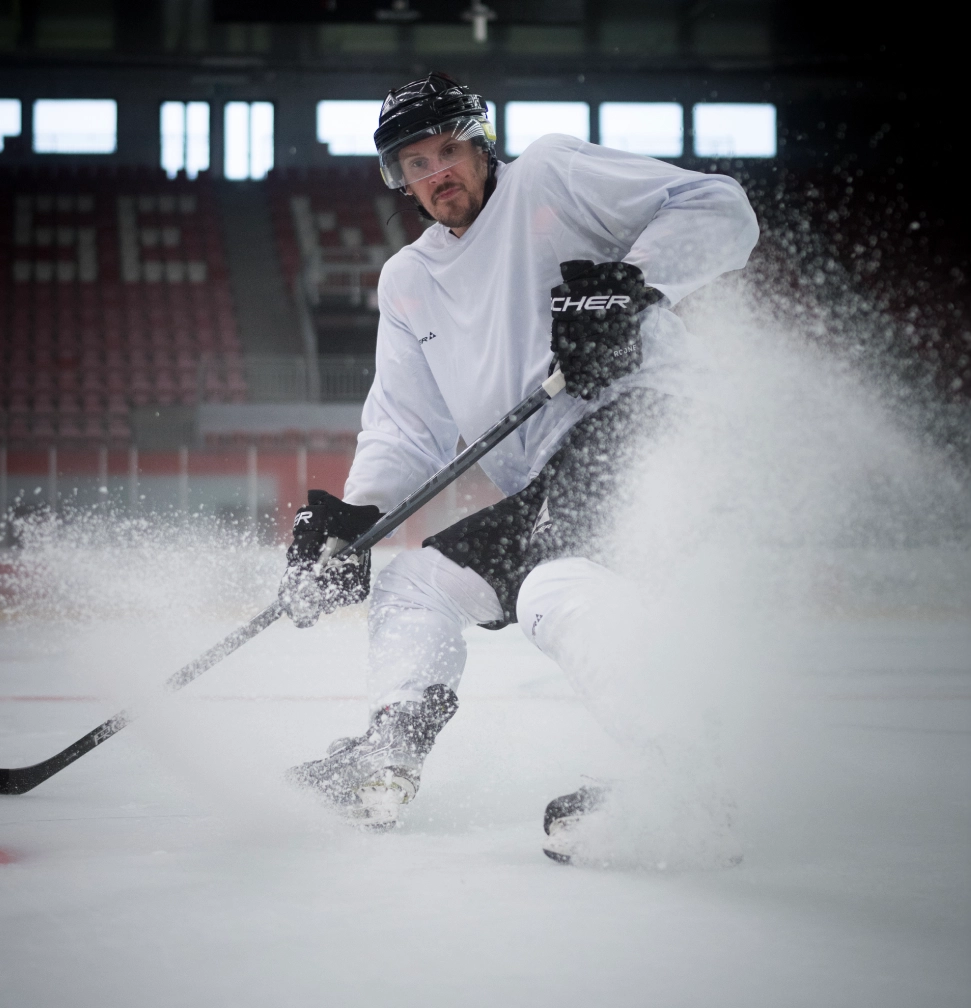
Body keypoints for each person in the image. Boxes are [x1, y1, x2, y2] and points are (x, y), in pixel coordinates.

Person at [278, 72, 759, 861]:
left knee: (556, 585)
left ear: (483, 145)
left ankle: (692, 787)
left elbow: (721, 210)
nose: (436, 173)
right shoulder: (408, 282)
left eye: (448, 151)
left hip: (657, 424)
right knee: (413, 586)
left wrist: (629, 287)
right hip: (552, 481)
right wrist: (355, 520)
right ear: (399, 180)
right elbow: (406, 428)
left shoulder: (549, 174)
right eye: (415, 164)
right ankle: (387, 757)